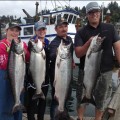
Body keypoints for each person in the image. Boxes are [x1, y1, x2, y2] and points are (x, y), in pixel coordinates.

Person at [74, 2, 120, 120]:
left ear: (100, 12)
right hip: (85, 71)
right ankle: (80, 118)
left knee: (101, 99)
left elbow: (118, 48)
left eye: (96, 11)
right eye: (91, 12)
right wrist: (88, 43)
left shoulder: (110, 28)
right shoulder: (81, 32)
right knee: (81, 98)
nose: (94, 14)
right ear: (87, 15)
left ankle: (97, 119)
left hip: (106, 72)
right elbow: (78, 53)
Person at [0, 22, 30, 120]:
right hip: (4, 79)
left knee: (18, 107)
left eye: (17, 31)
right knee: (5, 106)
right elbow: (3, 64)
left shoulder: (22, 44)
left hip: (19, 77)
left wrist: (24, 51)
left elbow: (29, 58)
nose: (14, 33)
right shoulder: (1, 45)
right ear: (6, 31)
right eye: (12, 30)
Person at [49, 18, 75, 120]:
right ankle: (54, 117)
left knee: (66, 97)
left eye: (65, 26)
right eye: (60, 27)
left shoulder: (69, 39)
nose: (63, 29)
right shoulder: (55, 43)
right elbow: (51, 56)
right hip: (58, 77)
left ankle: (64, 115)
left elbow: (70, 55)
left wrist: (71, 61)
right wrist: (57, 53)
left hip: (67, 74)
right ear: (56, 29)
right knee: (56, 100)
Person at [25, 21, 50, 120]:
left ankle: (41, 118)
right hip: (33, 78)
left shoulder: (48, 42)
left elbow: (49, 56)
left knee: (43, 103)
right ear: (35, 31)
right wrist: (36, 44)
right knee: (32, 103)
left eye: (43, 29)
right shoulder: (32, 41)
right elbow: (30, 49)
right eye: (39, 29)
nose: (41, 31)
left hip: (45, 76)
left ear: (46, 30)